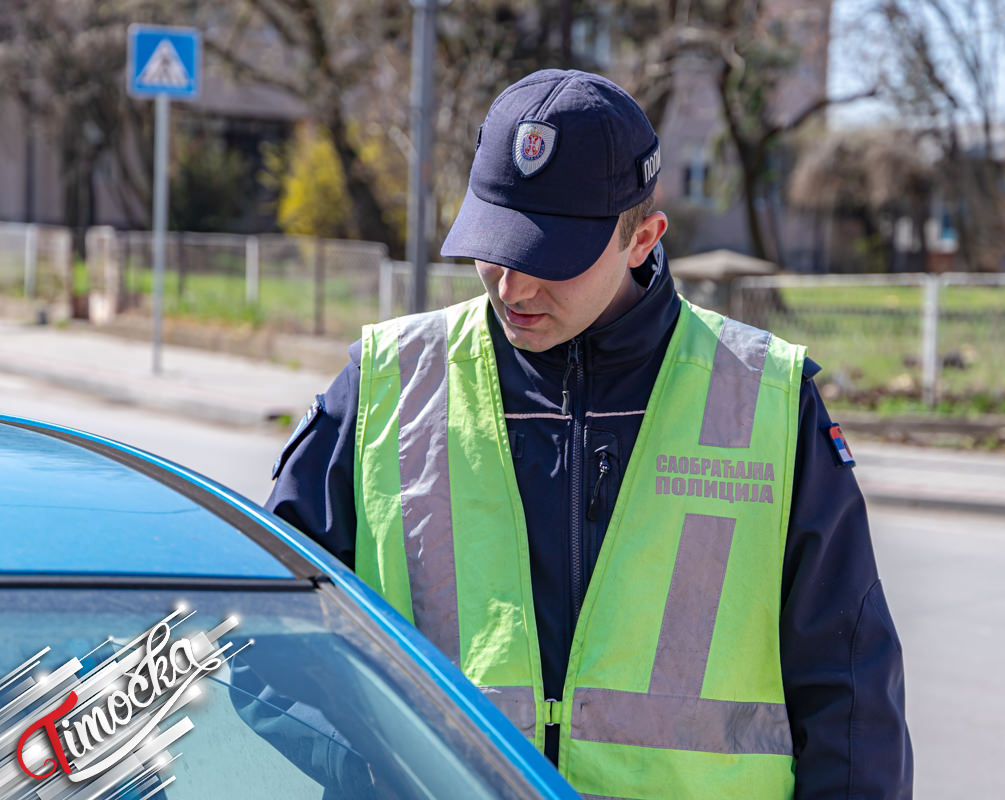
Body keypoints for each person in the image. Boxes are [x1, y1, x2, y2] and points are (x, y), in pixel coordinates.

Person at [268, 68, 912, 799]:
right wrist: (373, 775)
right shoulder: (387, 385)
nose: (512, 287)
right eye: (496, 245)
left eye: (548, 258)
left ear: (643, 238)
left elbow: (850, 705)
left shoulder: (764, 400)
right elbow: (268, 641)